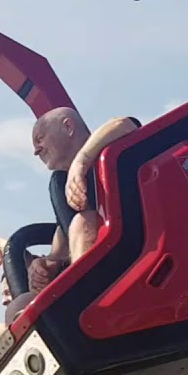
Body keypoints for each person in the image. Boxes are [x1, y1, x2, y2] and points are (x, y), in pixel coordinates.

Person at [29, 108, 142, 289]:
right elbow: (60, 246)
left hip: (135, 254)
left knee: (83, 222)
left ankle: (87, 297)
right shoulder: (61, 184)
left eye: (40, 138)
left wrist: (81, 161)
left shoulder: (112, 150)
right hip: (97, 265)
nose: (36, 150)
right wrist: (45, 265)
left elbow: (125, 123)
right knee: (20, 304)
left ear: (68, 127)